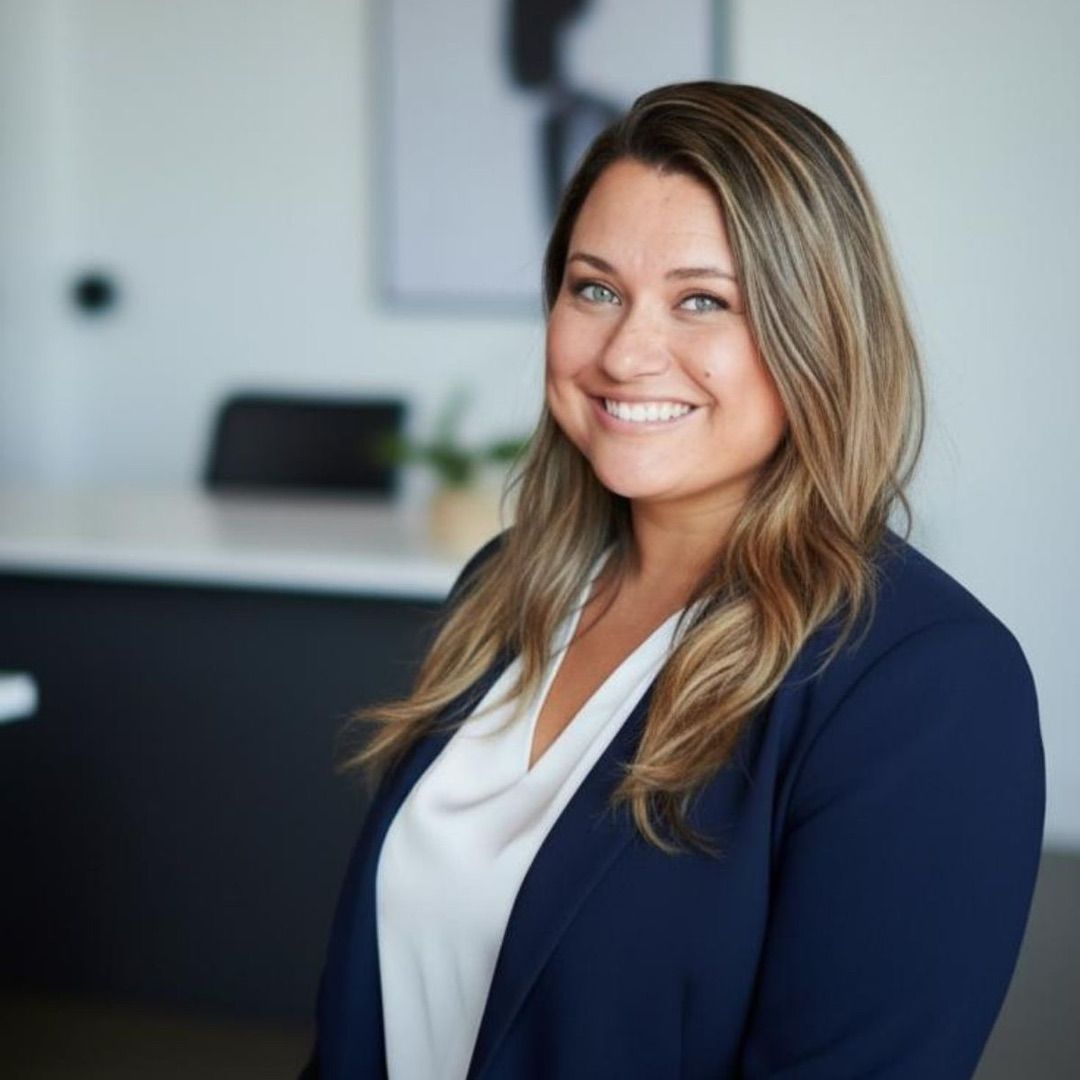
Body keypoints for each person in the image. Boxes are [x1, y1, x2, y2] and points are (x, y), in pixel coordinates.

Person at [301, 82, 1045, 1080]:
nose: (626, 352)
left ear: (818, 334)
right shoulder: (504, 589)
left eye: (704, 300)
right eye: (594, 288)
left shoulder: (925, 685)